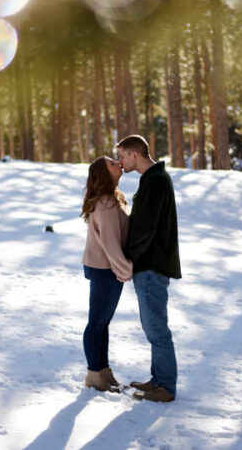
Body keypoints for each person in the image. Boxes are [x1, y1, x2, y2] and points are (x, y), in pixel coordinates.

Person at [116, 134, 182, 403]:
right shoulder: (153, 179)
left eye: (122, 156)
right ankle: (158, 380)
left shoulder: (155, 181)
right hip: (151, 264)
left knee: (157, 328)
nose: (120, 162)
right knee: (152, 326)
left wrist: (127, 260)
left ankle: (165, 386)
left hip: (152, 265)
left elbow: (145, 228)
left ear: (135, 154)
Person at [81, 156, 133, 392]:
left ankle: (102, 370)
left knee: (103, 322)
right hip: (105, 268)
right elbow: (111, 243)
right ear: (104, 173)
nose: (118, 164)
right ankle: (94, 374)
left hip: (104, 267)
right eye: (113, 163)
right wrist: (125, 270)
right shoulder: (106, 204)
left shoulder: (112, 199)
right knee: (97, 323)